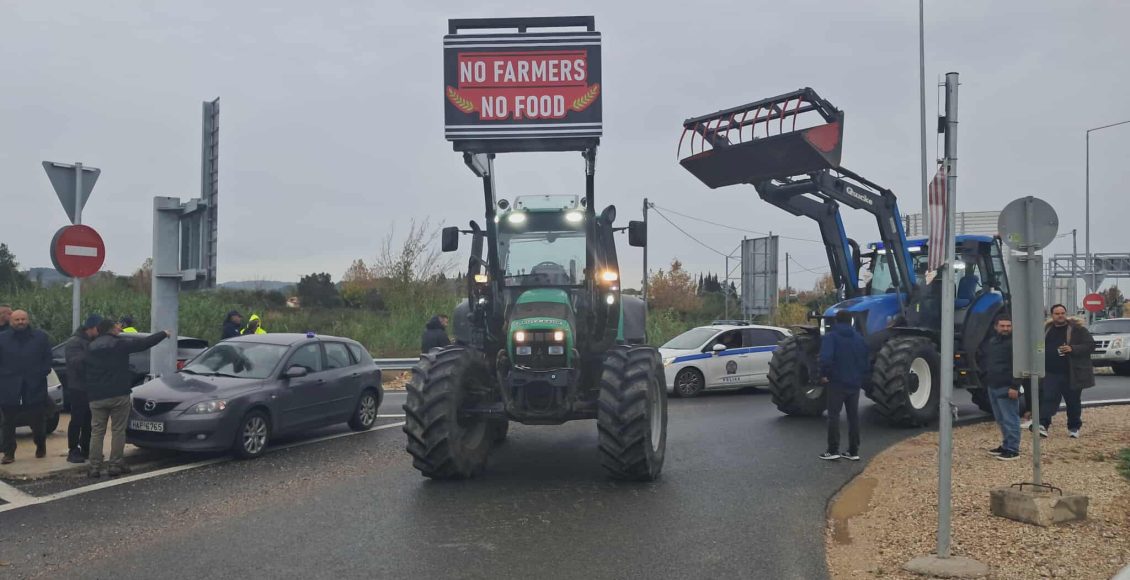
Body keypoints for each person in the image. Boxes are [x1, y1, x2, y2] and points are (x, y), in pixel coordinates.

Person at [84, 320, 169, 477]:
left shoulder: (90, 347)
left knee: (97, 432)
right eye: (116, 327)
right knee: (118, 430)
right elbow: (144, 344)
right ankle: (115, 464)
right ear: (111, 330)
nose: (119, 328)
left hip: (96, 396)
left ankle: (94, 467)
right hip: (118, 394)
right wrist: (163, 334)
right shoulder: (120, 344)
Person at [0, 310, 54, 464]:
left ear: (28, 320)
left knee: (37, 420)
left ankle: (40, 444)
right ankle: (9, 453)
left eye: (23, 319)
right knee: (8, 422)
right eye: (17, 320)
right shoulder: (2, 339)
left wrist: (41, 372)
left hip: (35, 385)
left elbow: (48, 358)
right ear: (11, 321)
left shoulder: (40, 337)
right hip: (9, 387)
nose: (20, 322)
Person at [818, 310, 870, 461]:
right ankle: (853, 451)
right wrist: (859, 376)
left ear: (836, 321)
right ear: (851, 321)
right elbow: (865, 360)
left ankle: (833, 450)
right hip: (854, 384)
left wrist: (824, 375)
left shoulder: (831, 337)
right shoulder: (859, 339)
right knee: (853, 417)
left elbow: (826, 359)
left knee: (833, 416)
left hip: (836, 383)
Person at [1039, 304, 1095, 438]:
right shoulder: (1046, 329)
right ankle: (1043, 424)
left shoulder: (1078, 329)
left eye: (1062, 313)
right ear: (1052, 315)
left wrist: (1072, 348)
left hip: (1071, 373)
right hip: (1050, 372)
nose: (1060, 316)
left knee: (1073, 401)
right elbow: (1039, 345)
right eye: (1057, 313)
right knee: (1048, 398)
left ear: (1066, 313)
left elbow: (1090, 345)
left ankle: (1074, 427)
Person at [64, 315, 103, 464]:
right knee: (77, 419)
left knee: (90, 420)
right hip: (78, 387)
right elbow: (76, 363)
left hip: (92, 387)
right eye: (98, 330)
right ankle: (73, 449)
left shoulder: (92, 341)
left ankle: (86, 448)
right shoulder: (74, 342)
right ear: (91, 328)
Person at [981, 315, 1021, 460]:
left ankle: (1013, 449)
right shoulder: (992, 342)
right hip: (993, 385)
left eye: (1008, 326)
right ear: (996, 327)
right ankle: (1006, 445)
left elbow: (1019, 366)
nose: (1005, 328)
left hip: (1007, 386)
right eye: (1002, 326)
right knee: (1001, 419)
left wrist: (1015, 386)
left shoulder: (1015, 344)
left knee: (1010, 418)